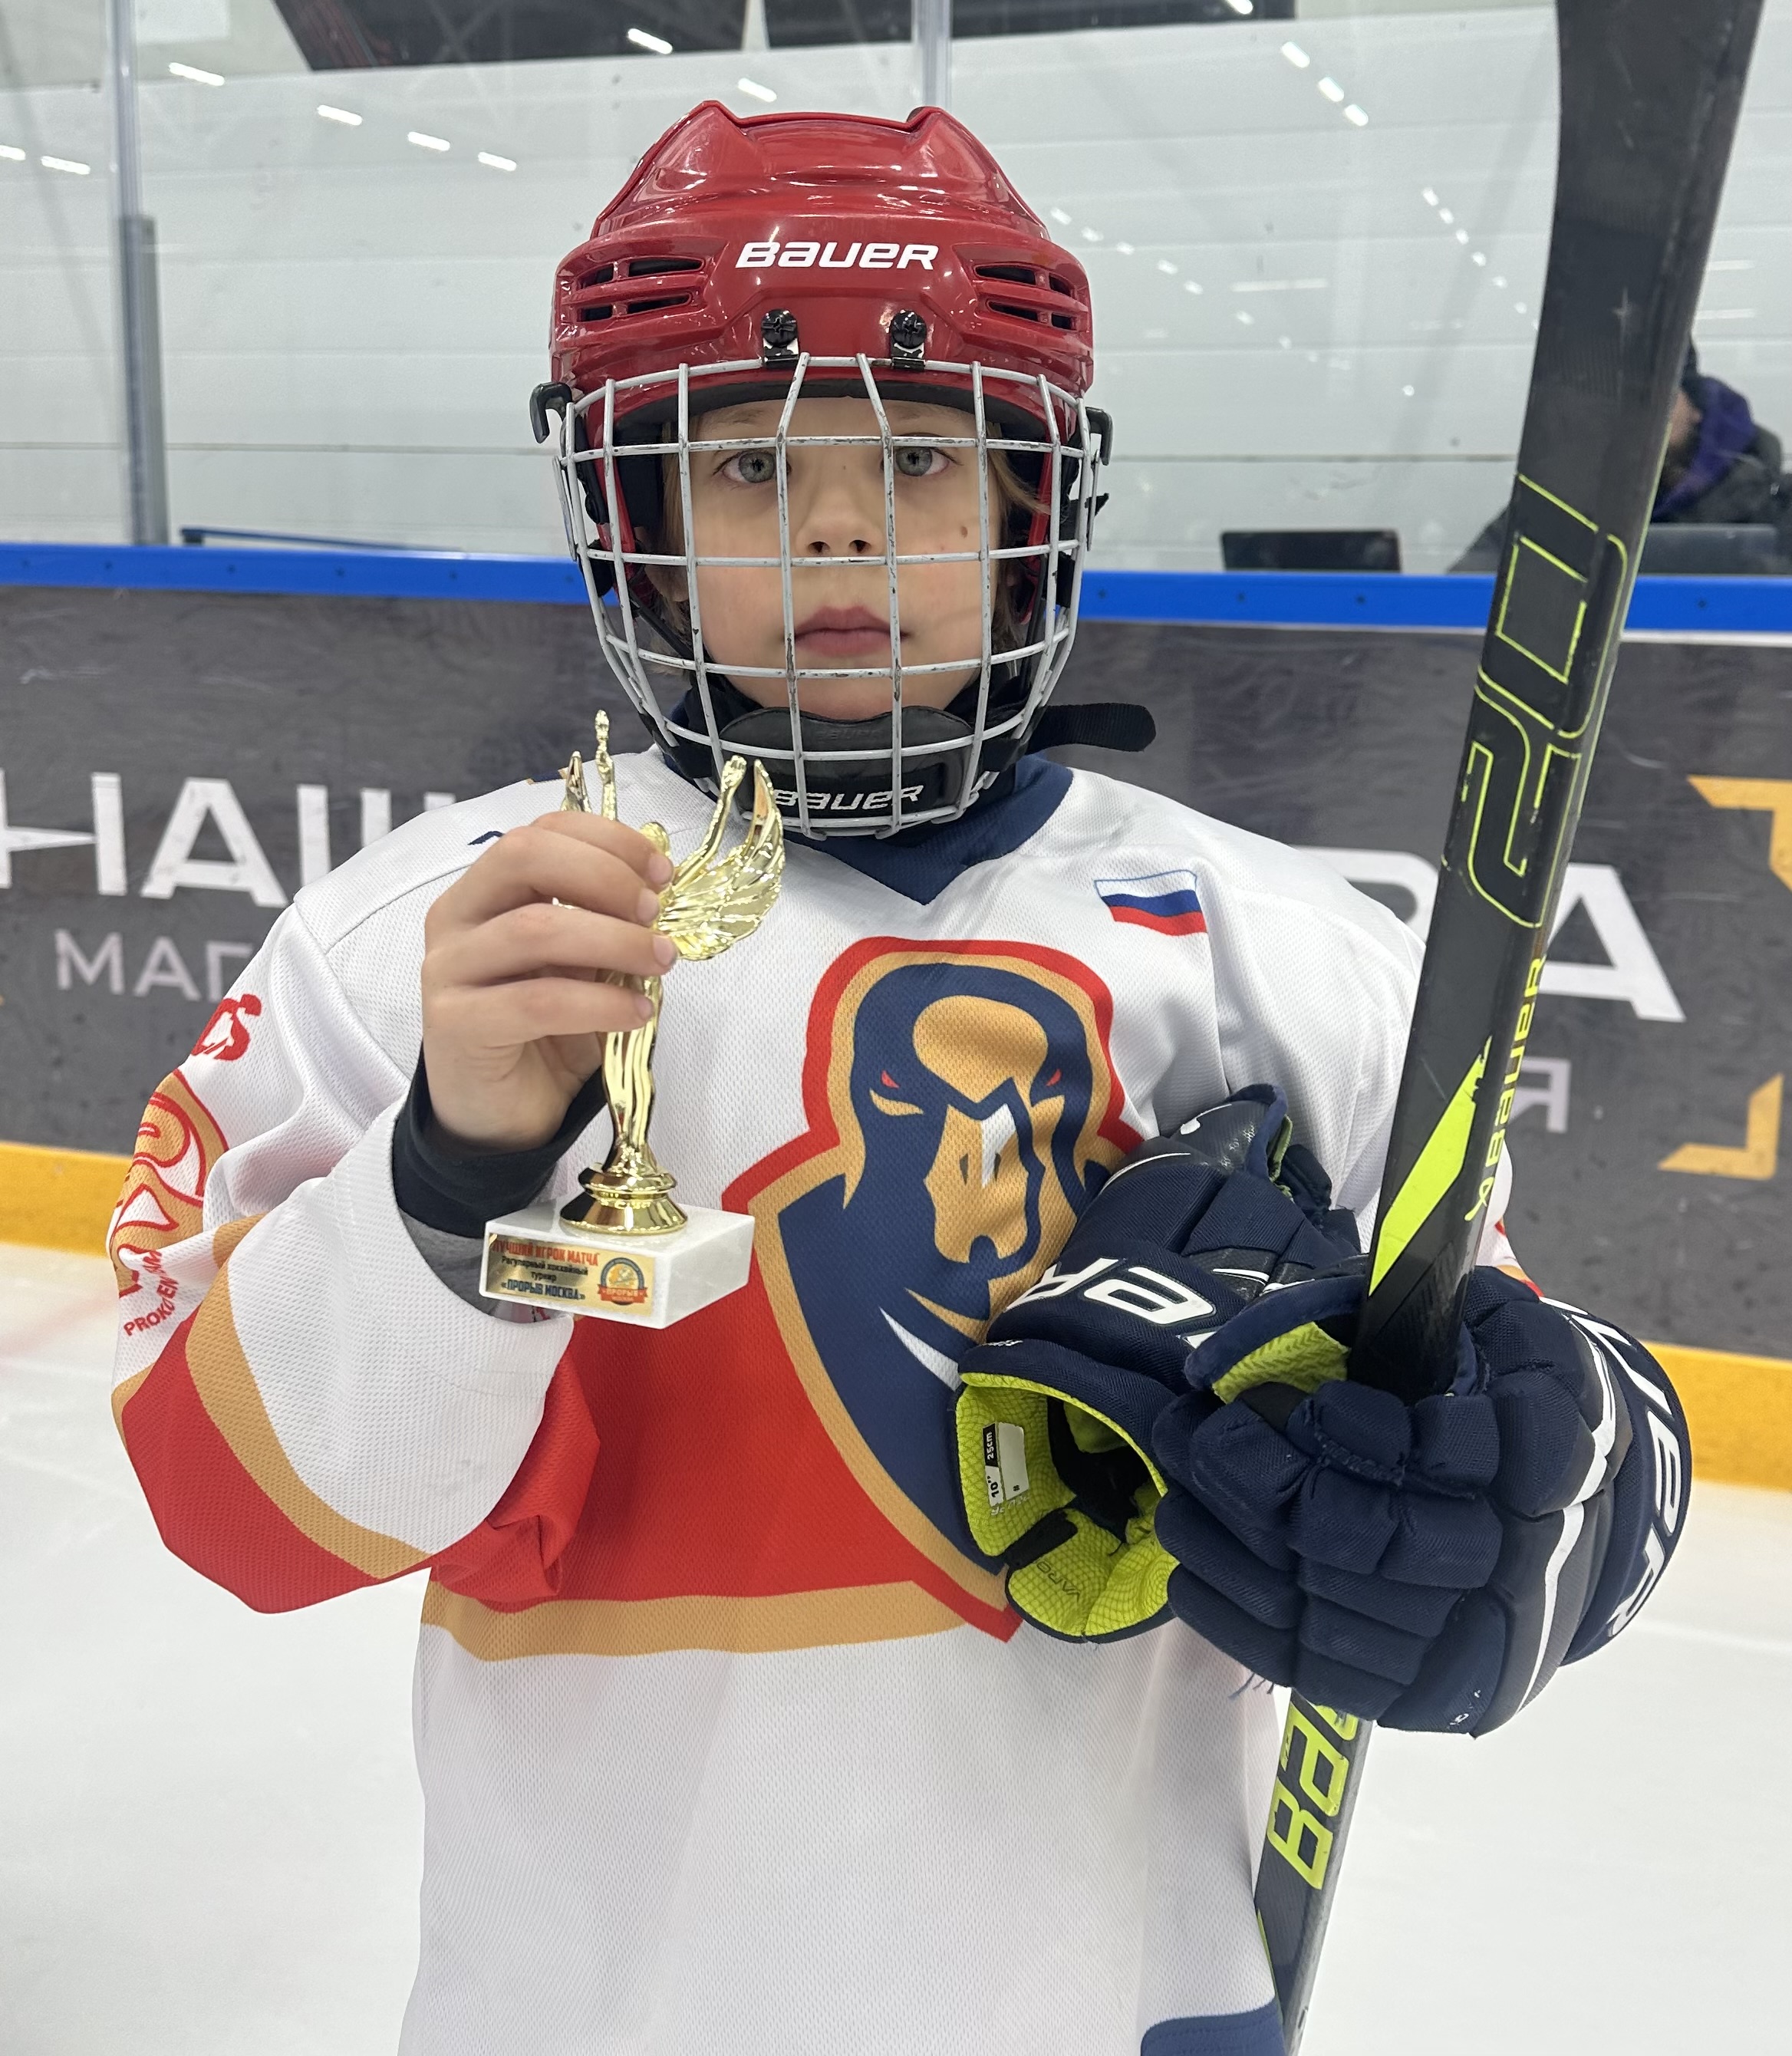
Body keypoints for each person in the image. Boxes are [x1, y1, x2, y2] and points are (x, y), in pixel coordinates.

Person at [108, 102, 1690, 2055]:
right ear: (635, 519)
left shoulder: (1283, 949)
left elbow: (1503, 1378)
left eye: (921, 456)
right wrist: (452, 1166)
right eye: (749, 463)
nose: (841, 526)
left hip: (1123, 1990)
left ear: (1034, 497)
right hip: (596, 2002)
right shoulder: (443, 943)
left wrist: (1521, 1503)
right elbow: (230, 1512)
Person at [1452, 342, 1792, 571]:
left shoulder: (1775, 506)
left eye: (1654, 397)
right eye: (1615, 403)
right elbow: (1463, 598)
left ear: (1695, 406)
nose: (1636, 419)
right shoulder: (1554, 501)